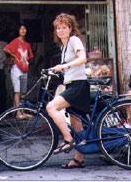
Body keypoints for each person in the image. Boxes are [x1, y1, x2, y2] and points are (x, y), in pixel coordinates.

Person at [46, 13, 90, 169]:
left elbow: (83, 58)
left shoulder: (74, 40)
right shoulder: (63, 47)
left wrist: (64, 66)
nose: (61, 30)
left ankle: (67, 139)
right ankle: (79, 159)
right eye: (58, 28)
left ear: (71, 28)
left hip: (78, 85)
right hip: (72, 85)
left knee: (51, 107)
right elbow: (68, 65)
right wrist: (54, 69)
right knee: (76, 122)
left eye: (64, 27)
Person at [4, 24, 34, 119]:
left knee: (22, 92)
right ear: (18, 31)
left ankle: (21, 112)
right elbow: (6, 49)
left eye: (24, 28)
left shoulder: (27, 44)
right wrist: (14, 56)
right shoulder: (15, 41)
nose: (23, 30)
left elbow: (31, 56)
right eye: (21, 28)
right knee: (17, 92)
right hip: (16, 68)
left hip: (24, 68)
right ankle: (18, 113)